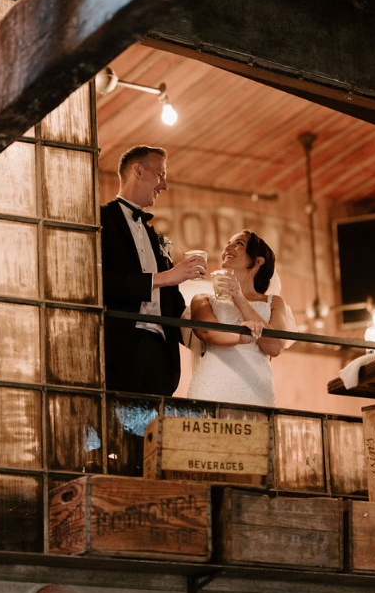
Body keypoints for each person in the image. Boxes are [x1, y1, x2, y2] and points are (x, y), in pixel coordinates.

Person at [101, 145, 206, 396]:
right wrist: (165, 277)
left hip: (161, 352)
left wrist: (213, 319)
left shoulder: (153, 235)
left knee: (156, 431)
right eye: (160, 175)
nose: (164, 185)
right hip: (122, 345)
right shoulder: (102, 219)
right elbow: (101, 283)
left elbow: (172, 301)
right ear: (137, 171)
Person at [186, 230, 294, 406]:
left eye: (239, 244)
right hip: (212, 383)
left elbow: (275, 347)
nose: (228, 247)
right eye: (229, 243)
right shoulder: (203, 299)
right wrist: (241, 336)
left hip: (256, 386)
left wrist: (240, 299)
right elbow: (207, 332)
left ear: (258, 261)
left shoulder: (275, 303)